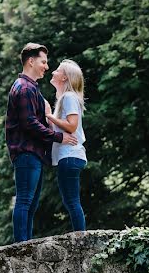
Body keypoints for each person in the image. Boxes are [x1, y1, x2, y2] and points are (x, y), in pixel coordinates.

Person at [5, 43, 79, 243]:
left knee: (30, 204)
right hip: (26, 153)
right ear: (31, 61)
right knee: (25, 200)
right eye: (43, 62)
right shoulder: (24, 88)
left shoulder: (31, 89)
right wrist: (59, 137)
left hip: (34, 154)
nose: (46, 67)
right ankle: (20, 246)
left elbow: (36, 121)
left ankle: (25, 244)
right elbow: (29, 123)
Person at [46, 60, 87, 232]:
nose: (53, 72)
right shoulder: (63, 99)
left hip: (71, 155)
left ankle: (81, 238)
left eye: (57, 70)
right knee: (69, 200)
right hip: (68, 157)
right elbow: (56, 129)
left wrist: (49, 115)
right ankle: (80, 235)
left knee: (72, 200)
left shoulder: (69, 97)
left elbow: (71, 125)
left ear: (64, 77)